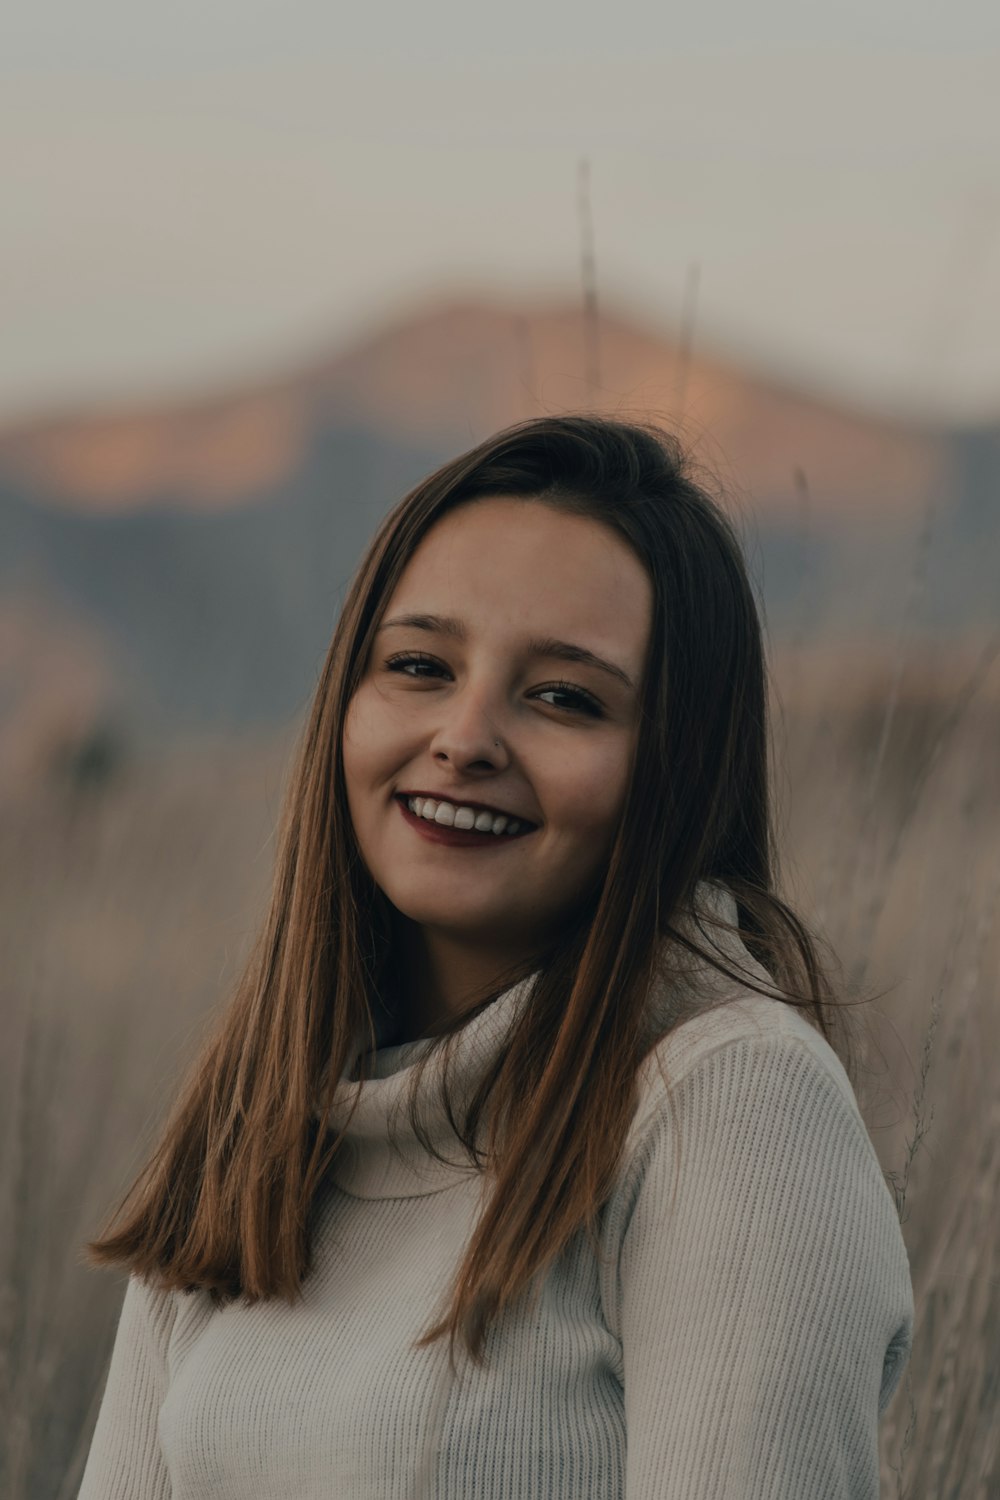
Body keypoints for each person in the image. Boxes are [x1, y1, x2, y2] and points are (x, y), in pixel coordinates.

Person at [78, 414, 913, 1499]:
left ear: (676, 766)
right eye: (419, 665)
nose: (466, 738)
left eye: (565, 697)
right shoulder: (259, 1126)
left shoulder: (732, 1104)